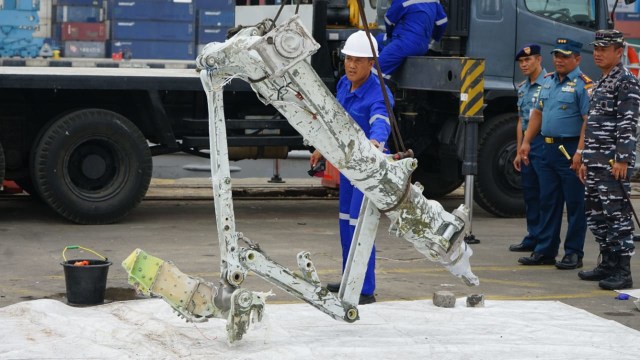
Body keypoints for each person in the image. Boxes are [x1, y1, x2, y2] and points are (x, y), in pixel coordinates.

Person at [310, 30, 393, 305]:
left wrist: (376, 141)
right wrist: (320, 147)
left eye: (359, 60)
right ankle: (349, 277)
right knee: (346, 223)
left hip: (369, 166)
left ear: (372, 64)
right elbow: (335, 119)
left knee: (360, 226)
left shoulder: (379, 92)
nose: (352, 65)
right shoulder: (345, 85)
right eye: (348, 58)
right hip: (349, 166)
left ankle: (365, 288)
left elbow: (381, 119)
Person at [518, 38, 591, 269]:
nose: (559, 60)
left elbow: (587, 122)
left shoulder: (583, 85)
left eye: (565, 56)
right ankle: (545, 250)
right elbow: (537, 114)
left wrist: (580, 151)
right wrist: (527, 142)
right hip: (547, 149)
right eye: (556, 55)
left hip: (570, 150)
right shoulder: (548, 82)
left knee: (575, 203)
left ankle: (573, 253)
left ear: (577, 59)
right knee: (547, 201)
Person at [578, 30, 639, 290]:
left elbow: (628, 123)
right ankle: (608, 263)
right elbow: (592, 124)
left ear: (619, 51)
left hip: (613, 163)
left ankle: (623, 271)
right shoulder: (603, 81)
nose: (598, 53)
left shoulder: (626, 81)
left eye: (605, 49)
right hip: (595, 160)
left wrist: (622, 159)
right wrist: (584, 157)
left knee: (617, 216)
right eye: (596, 49)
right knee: (596, 215)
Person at [510, 44, 546, 253]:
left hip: (542, 142)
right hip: (526, 145)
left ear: (539, 60)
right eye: (521, 62)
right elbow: (521, 121)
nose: (523, 64)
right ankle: (533, 235)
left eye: (528, 60)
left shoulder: (549, 84)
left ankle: (544, 239)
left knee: (545, 194)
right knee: (530, 192)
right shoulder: (523, 87)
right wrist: (518, 149)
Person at [375, 0, 448, 76]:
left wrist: (389, 35)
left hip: (403, 44)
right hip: (423, 46)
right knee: (379, 40)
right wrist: (435, 38)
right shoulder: (434, 1)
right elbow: (442, 22)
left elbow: (389, 20)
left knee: (375, 69)